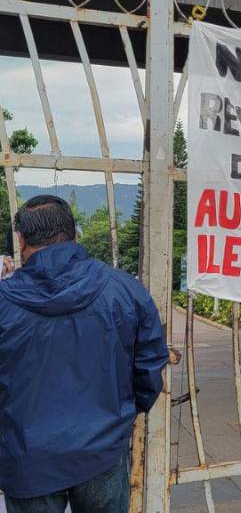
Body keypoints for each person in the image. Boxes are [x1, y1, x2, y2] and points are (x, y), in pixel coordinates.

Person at [0, 195, 168, 512]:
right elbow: (149, 367)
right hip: (102, 448)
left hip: (28, 456)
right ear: (74, 233)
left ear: (21, 240)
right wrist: (123, 413)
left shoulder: (5, 300)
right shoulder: (123, 289)